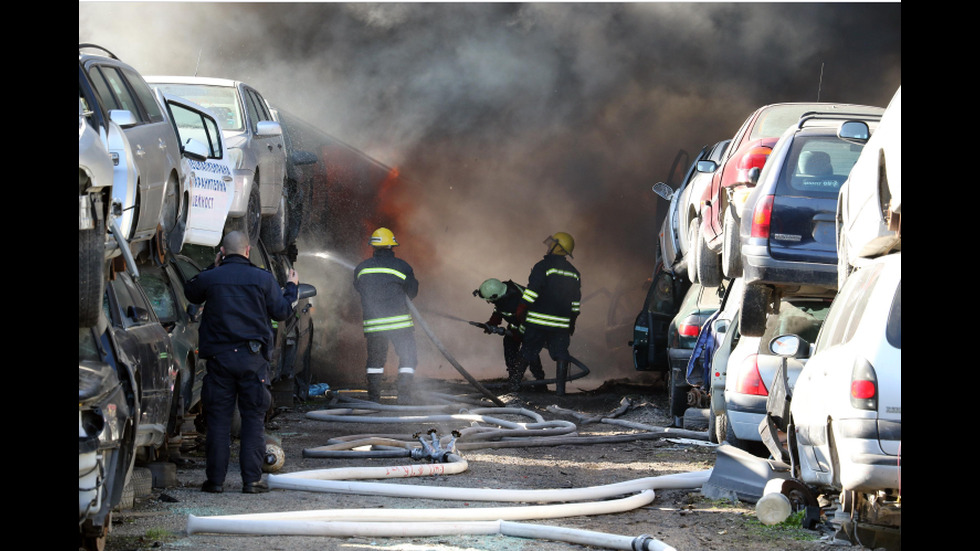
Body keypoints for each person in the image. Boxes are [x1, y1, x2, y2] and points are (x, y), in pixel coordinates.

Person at [183, 231, 299, 494]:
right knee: (253, 421)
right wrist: (291, 286)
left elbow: (190, 291)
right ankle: (251, 481)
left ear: (222, 252)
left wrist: (212, 268)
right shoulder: (263, 278)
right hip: (253, 361)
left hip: (219, 362)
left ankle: (215, 482)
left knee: (219, 423)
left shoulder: (211, 278)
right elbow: (282, 311)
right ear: (248, 251)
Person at [353, 227, 420, 404]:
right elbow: (412, 292)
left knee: (375, 362)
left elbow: (359, 289)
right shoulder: (402, 267)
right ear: (392, 247)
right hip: (400, 325)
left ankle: (374, 399)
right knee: (408, 358)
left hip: (374, 326)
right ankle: (404, 397)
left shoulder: (362, 268)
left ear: (373, 247)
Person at [512, 232, 581, 395]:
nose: (549, 246)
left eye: (552, 244)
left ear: (558, 247)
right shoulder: (574, 272)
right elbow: (576, 302)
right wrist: (572, 322)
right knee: (561, 354)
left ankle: (513, 386)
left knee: (528, 351)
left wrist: (522, 306)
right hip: (561, 325)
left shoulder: (543, 267)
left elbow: (532, 291)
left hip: (538, 322)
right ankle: (560, 392)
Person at [473, 278, 546, 391]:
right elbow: (499, 309)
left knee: (530, 351)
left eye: (489, 300)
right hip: (519, 324)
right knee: (509, 343)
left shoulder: (516, 302)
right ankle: (514, 378)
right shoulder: (503, 293)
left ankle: (540, 383)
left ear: (495, 296)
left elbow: (528, 321)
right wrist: (493, 322)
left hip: (535, 325)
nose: (489, 302)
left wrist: (518, 334)